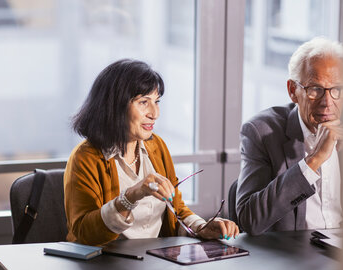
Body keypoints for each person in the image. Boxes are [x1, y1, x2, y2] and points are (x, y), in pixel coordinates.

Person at [64, 59, 239, 246]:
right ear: (114, 105)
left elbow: (176, 209)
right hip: (103, 265)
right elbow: (84, 234)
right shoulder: (85, 158)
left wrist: (201, 227)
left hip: (155, 261)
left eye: (157, 101)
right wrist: (131, 196)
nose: (154, 113)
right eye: (143, 102)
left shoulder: (156, 146)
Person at [236, 37, 343, 235]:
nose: (327, 102)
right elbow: (249, 219)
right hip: (295, 258)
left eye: (337, 89)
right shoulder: (261, 132)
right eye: (315, 89)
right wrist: (313, 161)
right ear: (292, 91)